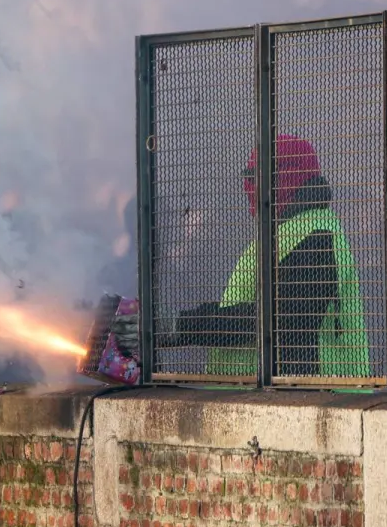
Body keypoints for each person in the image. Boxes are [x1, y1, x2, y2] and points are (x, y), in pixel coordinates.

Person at [155, 134, 371, 379]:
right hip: (277, 395)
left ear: (284, 178)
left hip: (308, 398)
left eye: (256, 178)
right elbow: (252, 311)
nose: (249, 188)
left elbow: (273, 318)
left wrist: (180, 326)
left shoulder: (317, 237)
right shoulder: (287, 232)